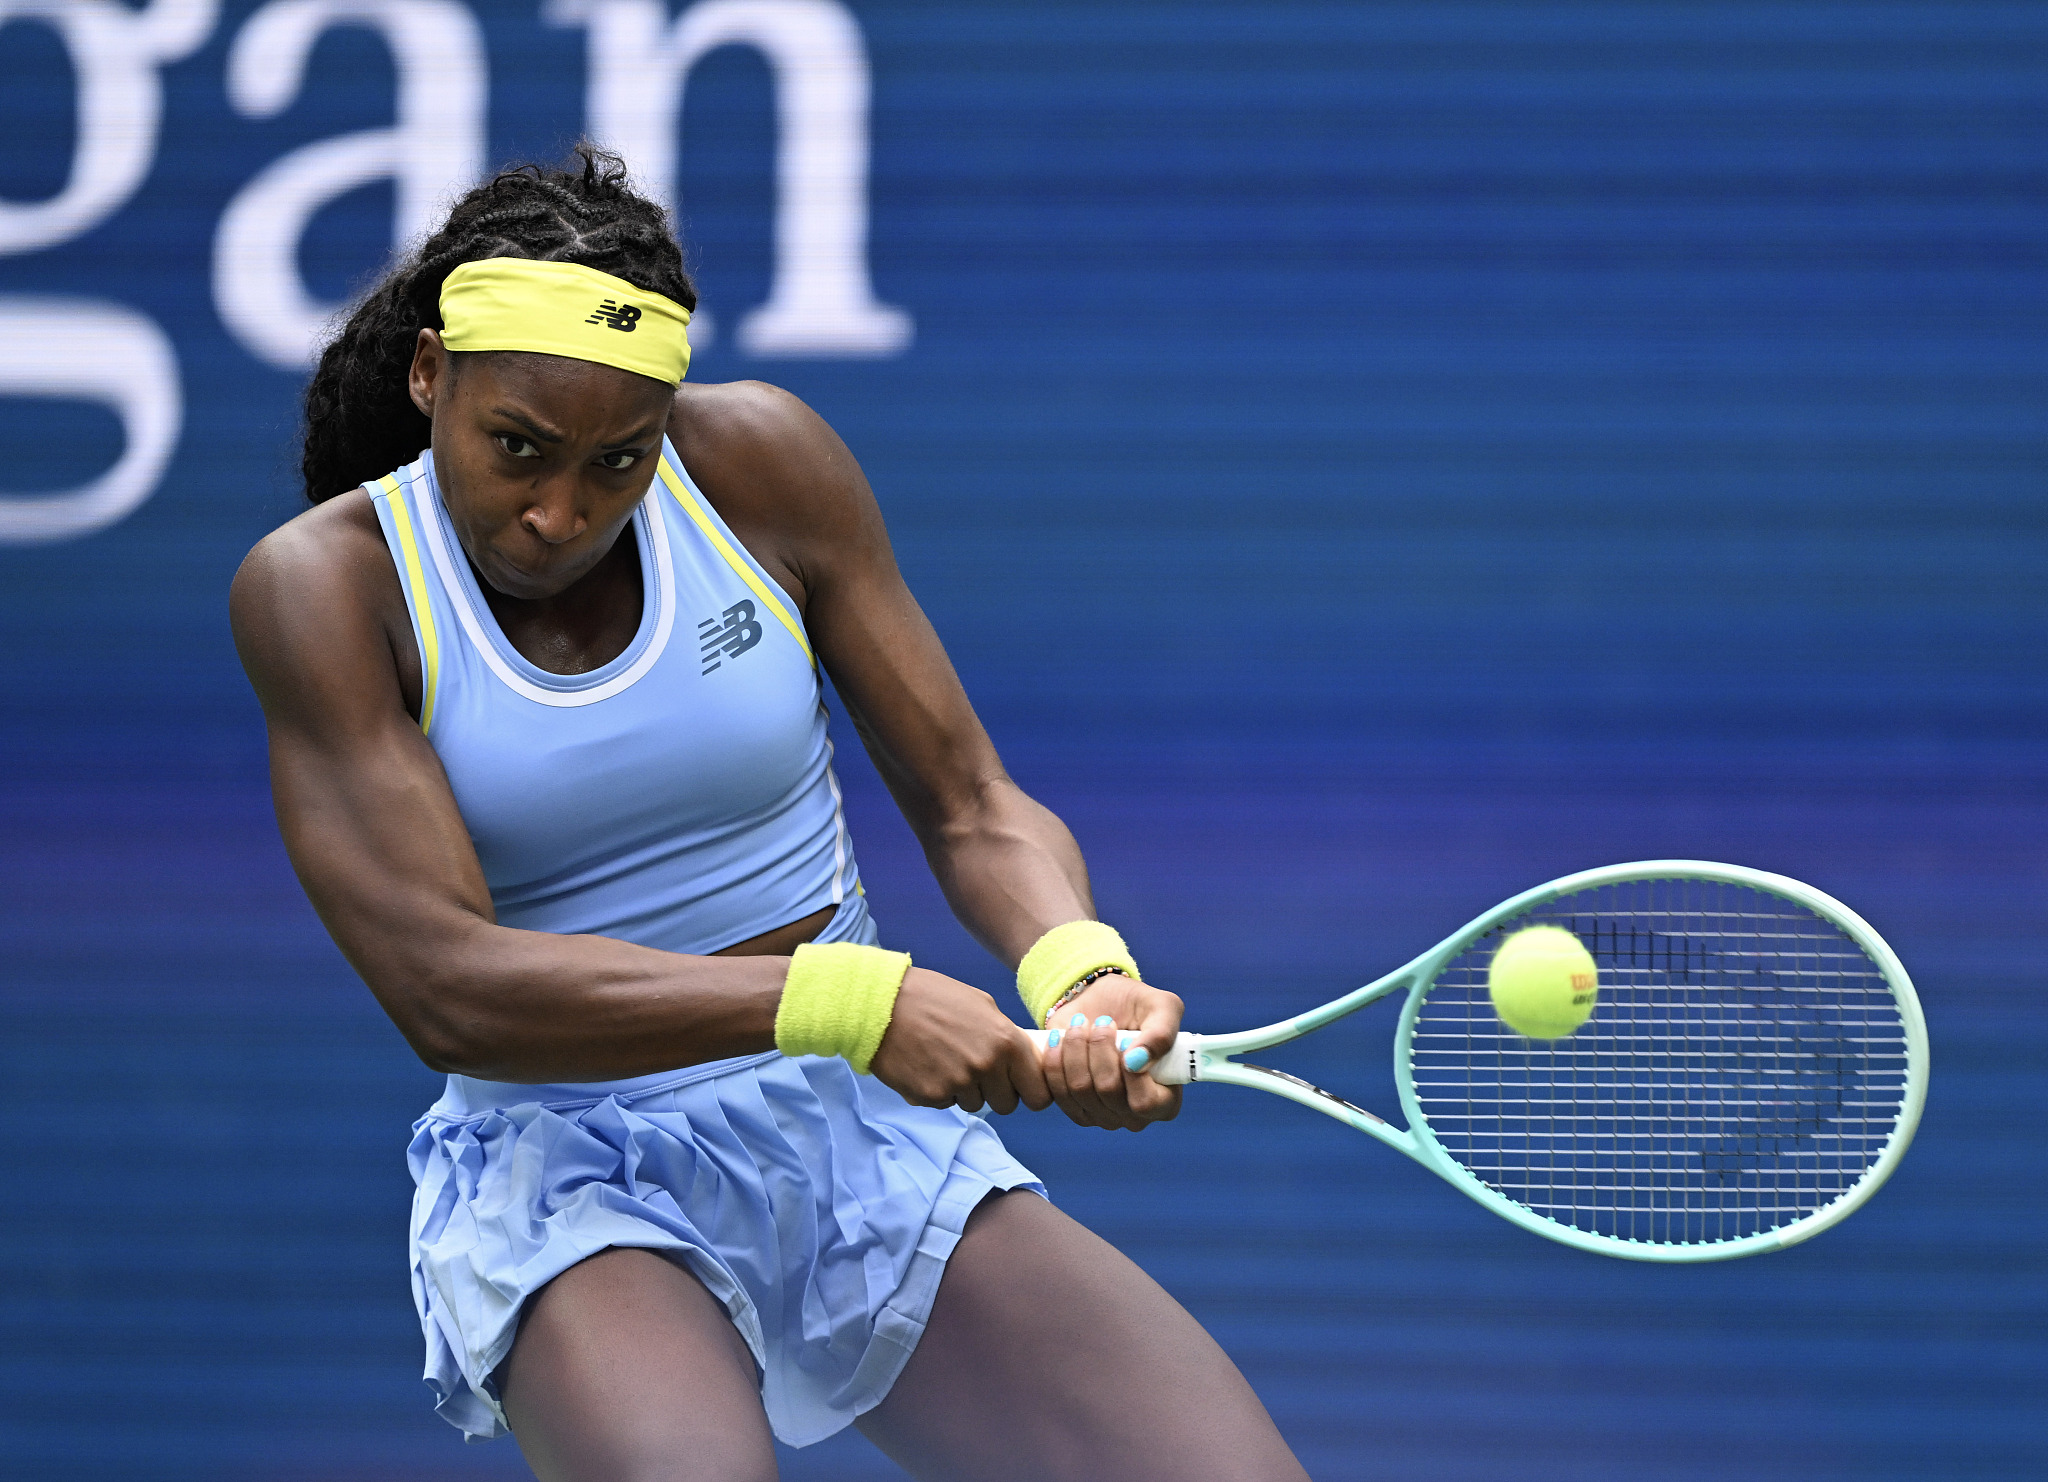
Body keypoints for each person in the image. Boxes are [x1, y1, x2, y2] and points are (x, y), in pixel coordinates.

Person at [231, 147, 1308, 1482]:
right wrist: (849, 999)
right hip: (572, 1167)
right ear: (430, 373)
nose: (560, 511)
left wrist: (1078, 966)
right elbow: (449, 986)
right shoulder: (327, 591)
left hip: (847, 1124)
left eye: (619, 460)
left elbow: (971, 801)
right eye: (520, 449)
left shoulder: (760, 467)